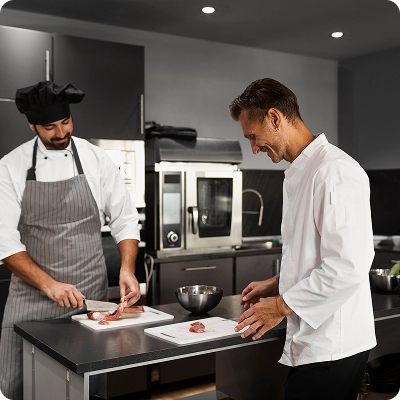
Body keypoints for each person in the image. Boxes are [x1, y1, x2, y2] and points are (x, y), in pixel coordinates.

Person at [230, 78, 376, 400]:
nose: (253, 148)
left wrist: (280, 306)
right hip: (318, 343)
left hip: (333, 345)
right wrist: (278, 282)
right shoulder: (304, 170)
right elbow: (316, 253)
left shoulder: (334, 172)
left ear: (275, 118)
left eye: (253, 136)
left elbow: (348, 266)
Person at [0, 81, 141, 400]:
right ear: (32, 126)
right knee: (14, 384)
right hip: (32, 299)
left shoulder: (96, 159)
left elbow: (124, 218)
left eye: (65, 122)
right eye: (49, 127)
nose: (61, 132)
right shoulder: (11, 167)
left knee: (86, 387)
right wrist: (49, 285)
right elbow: (3, 240)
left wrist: (127, 269)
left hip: (89, 300)